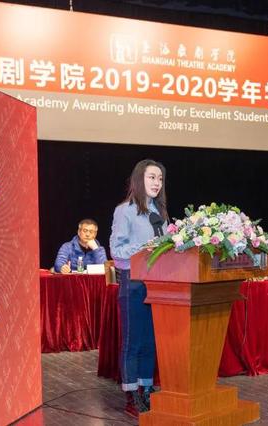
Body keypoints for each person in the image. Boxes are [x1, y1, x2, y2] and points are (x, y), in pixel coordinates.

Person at [110, 159, 168, 418]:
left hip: (159, 285)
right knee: (133, 341)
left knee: (150, 340)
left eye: (160, 179)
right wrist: (145, 248)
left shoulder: (160, 213)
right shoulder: (125, 211)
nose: (157, 183)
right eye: (151, 177)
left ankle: (146, 389)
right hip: (133, 282)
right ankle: (131, 394)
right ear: (138, 179)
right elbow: (117, 252)